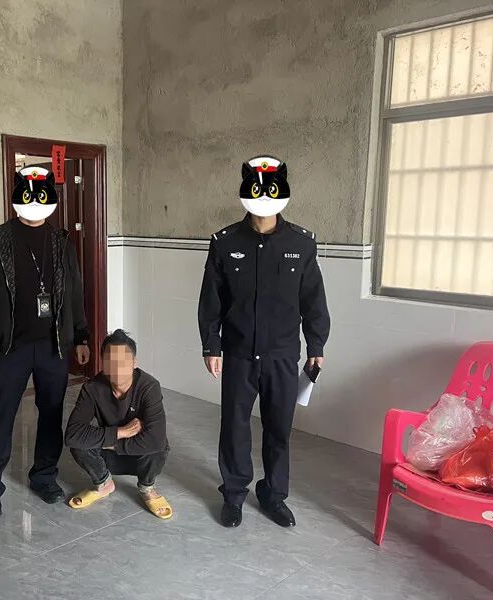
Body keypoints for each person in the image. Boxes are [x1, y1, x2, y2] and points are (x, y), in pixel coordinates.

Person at [198, 155, 330, 529]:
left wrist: (316, 346)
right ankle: (234, 495)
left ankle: (273, 496)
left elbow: (313, 300)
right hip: (239, 354)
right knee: (234, 427)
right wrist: (211, 345)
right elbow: (211, 300)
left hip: (283, 356)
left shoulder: (301, 243)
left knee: (278, 430)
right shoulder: (225, 242)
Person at [0, 166, 90, 520]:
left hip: (53, 347)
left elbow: (75, 293)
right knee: (1, 415)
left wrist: (80, 335)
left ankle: (44, 476)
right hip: (10, 347)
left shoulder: (61, 242)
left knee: (51, 414)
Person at [65, 330, 172, 519]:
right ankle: (103, 483)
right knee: (78, 445)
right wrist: (120, 432)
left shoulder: (149, 386)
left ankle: (147, 487)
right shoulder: (92, 388)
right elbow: (72, 435)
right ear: (103, 363)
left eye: (123, 361)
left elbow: (156, 440)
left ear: (134, 362)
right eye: (110, 361)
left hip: (139, 455)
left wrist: (110, 442)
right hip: (109, 455)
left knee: (160, 447)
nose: (117, 368)